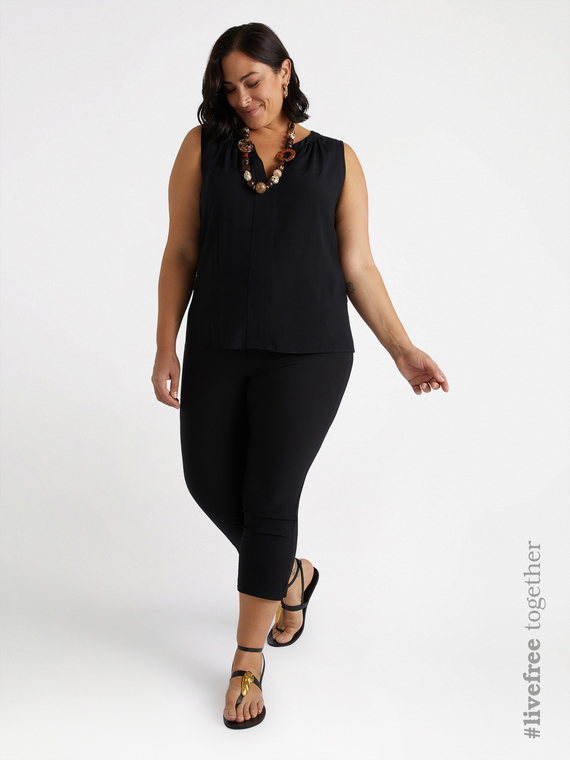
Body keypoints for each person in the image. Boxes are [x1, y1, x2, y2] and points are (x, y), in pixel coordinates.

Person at [151, 22, 449, 730]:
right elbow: (181, 251)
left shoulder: (337, 161)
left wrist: (401, 348)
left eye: (253, 81)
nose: (243, 98)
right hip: (218, 344)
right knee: (206, 481)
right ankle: (290, 574)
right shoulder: (202, 148)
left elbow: (358, 266)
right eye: (230, 87)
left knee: (268, 499)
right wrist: (165, 345)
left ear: (285, 72)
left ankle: (247, 660)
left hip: (310, 355)